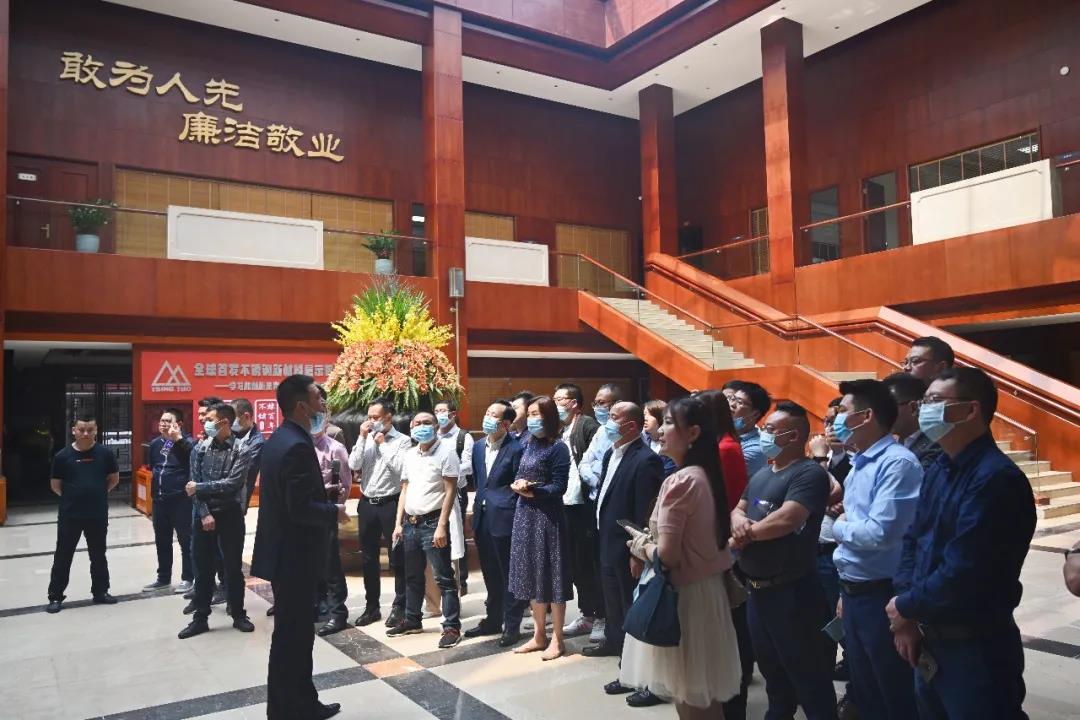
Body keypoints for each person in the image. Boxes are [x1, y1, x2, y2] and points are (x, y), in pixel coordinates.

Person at [888, 367, 1035, 720]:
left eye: (935, 401)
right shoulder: (940, 467)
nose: (925, 409)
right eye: (924, 402)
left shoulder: (996, 478)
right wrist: (906, 610)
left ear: (970, 410)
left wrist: (906, 605)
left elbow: (965, 569)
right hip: (930, 637)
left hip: (975, 646)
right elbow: (914, 539)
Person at [620, 396, 742, 718]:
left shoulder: (680, 481)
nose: (660, 430)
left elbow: (669, 556)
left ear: (693, 433)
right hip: (705, 591)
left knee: (690, 696)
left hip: (684, 599)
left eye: (669, 423)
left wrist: (641, 547)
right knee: (700, 694)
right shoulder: (703, 475)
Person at [730, 401, 835, 720]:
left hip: (793, 593)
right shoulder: (764, 473)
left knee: (808, 676)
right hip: (757, 590)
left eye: (771, 429)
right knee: (773, 673)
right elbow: (739, 508)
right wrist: (739, 522)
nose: (764, 434)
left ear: (793, 436)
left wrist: (742, 536)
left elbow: (787, 519)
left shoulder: (809, 473)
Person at [252, 374, 348, 720]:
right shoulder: (296, 445)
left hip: (285, 554)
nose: (323, 405)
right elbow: (300, 508)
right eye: (318, 398)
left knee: (294, 635)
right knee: (293, 637)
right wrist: (333, 511)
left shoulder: (279, 439)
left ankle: (299, 703)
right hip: (294, 557)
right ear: (301, 406)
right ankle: (288, 708)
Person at [831, 379, 922, 719]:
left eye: (842, 412)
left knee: (893, 692)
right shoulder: (860, 463)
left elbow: (878, 533)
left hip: (883, 595)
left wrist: (837, 527)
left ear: (866, 416)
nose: (835, 421)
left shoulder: (897, 463)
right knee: (865, 688)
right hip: (854, 592)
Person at [590, 402, 664, 707]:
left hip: (628, 549)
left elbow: (643, 511)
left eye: (613, 418)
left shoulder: (646, 460)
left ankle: (641, 676)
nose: (608, 422)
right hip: (606, 543)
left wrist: (637, 553)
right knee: (615, 609)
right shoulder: (612, 453)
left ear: (631, 425)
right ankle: (623, 662)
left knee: (631, 612)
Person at [695, 389, 754, 720]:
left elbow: (726, 501)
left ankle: (733, 702)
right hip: (714, 545)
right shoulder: (716, 446)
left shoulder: (726, 448)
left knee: (732, 629)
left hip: (724, 547)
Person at [387, 412, 463, 648]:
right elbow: (405, 489)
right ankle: (412, 619)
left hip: (433, 522)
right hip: (410, 523)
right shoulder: (410, 454)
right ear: (411, 427)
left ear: (436, 425)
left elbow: (450, 491)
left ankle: (451, 626)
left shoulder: (447, 452)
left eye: (427, 423)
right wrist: (398, 523)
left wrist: (442, 526)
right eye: (417, 423)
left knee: (444, 578)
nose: (422, 427)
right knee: (412, 575)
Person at [179, 403, 255, 638]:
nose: (205, 423)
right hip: (204, 515)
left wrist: (201, 488)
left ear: (224, 422)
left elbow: (233, 484)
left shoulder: (242, 449)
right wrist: (204, 513)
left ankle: (239, 614)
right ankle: (200, 618)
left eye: (210, 419)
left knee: (233, 568)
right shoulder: (200, 448)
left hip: (231, 514)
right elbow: (192, 484)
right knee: (203, 569)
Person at [508, 395, 573, 660]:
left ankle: (557, 639)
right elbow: (520, 473)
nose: (531, 419)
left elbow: (559, 486)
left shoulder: (558, 447)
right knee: (531, 575)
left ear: (549, 416)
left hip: (548, 518)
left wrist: (534, 492)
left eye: (536, 414)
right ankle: (538, 635)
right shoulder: (529, 443)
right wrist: (519, 484)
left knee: (552, 577)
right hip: (524, 515)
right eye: (530, 414)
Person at [465, 400, 528, 646]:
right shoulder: (478, 447)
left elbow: (519, 485)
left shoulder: (517, 448)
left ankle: (512, 625)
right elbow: (480, 482)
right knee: (490, 573)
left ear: (506, 423)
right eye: (487, 412)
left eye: (494, 415)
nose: (487, 418)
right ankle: (492, 620)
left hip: (505, 518)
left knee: (509, 574)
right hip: (482, 518)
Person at [45, 414, 120, 613]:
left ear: (96, 431)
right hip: (70, 515)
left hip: (97, 514)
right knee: (63, 555)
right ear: (74, 431)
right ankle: (55, 596)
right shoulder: (62, 456)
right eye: (81, 429)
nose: (86, 433)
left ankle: (101, 591)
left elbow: (113, 479)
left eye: (90, 430)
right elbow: (55, 485)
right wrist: (73, 498)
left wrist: (98, 493)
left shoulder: (105, 454)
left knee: (98, 555)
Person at [347, 397, 411, 628]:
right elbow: (354, 465)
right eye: (369, 417)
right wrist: (362, 437)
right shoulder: (365, 438)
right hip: (367, 503)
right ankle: (371, 607)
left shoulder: (402, 441)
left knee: (397, 557)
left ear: (388, 418)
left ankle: (399, 606)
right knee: (368, 557)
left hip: (391, 503)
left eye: (376, 417)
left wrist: (382, 444)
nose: (371, 421)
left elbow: (401, 469)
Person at [553, 382, 603, 640]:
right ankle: (587, 614)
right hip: (567, 505)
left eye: (560, 399)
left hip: (585, 506)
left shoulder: (587, 426)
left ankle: (600, 616)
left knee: (589, 563)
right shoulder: (563, 430)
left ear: (573, 403)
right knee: (576, 564)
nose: (556, 404)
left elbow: (595, 464)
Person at [575, 382, 622, 642]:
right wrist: (596, 479)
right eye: (596, 403)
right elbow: (586, 461)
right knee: (593, 565)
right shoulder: (601, 432)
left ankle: (611, 623)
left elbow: (612, 471)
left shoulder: (624, 434)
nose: (597, 408)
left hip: (613, 510)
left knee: (611, 569)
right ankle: (598, 616)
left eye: (602, 403)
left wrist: (599, 477)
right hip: (594, 501)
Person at [144, 408, 196, 594]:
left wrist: (178, 439)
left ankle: (188, 578)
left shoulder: (188, 443)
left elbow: (193, 461)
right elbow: (154, 467)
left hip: (181, 501)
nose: (163, 424)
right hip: (159, 500)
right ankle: (163, 578)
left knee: (186, 541)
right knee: (162, 541)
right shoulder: (155, 444)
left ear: (179, 424)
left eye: (168, 421)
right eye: (162, 420)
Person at [313, 386, 352, 637]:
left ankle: (338, 612)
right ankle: (318, 605)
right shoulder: (301, 446)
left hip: (326, 508)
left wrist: (336, 508)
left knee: (330, 563)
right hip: (305, 511)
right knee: (311, 561)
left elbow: (345, 484)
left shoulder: (335, 447)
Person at [434, 398, 473, 594]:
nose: (439, 415)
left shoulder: (463, 437)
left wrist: (448, 472)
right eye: (437, 411)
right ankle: (442, 578)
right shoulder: (432, 435)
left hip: (457, 491)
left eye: (443, 411)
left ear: (453, 414)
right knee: (437, 532)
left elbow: (468, 465)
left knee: (457, 533)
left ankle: (461, 579)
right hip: (435, 492)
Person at [883, 372, 943, 471]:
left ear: (913, 408)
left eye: (887, 408)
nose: (881, 415)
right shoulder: (893, 442)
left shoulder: (935, 447)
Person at [724, 380, 771, 476]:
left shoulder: (756, 450)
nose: (732, 404)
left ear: (755, 414)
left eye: (739, 402)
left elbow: (721, 475)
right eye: (732, 399)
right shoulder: (723, 430)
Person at [231, 398, 266, 508]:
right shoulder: (232, 434)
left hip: (238, 501)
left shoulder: (257, 442)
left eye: (233, 418)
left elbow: (243, 471)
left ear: (246, 416)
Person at [642, 399, 678, 477]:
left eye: (650, 415)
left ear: (660, 417)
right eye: (644, 414)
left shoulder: (670, 444)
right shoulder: (641, 439)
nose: (645, 418)